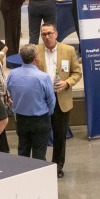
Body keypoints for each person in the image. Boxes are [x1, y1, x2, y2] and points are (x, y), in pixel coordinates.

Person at [35, 23, 81, 178]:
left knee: (60, 135)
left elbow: (76, 73)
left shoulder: (68, 50)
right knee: (40, 133)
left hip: (61, 97)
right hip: (41, 99)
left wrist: (67, 82)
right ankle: (39, 165)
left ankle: (57, 167)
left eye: (49, 33)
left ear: (56, 33)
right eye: (43, 34)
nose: (46, 37)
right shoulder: (35, 51)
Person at [7, 44, 55, 161]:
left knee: (23, 151)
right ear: (36, 58)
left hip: (21, 119)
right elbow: (51, 100)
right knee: (39, 154)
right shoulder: (43, 77)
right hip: (40, 120)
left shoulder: (13, 74)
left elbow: (9, 91)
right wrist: (48, 113)